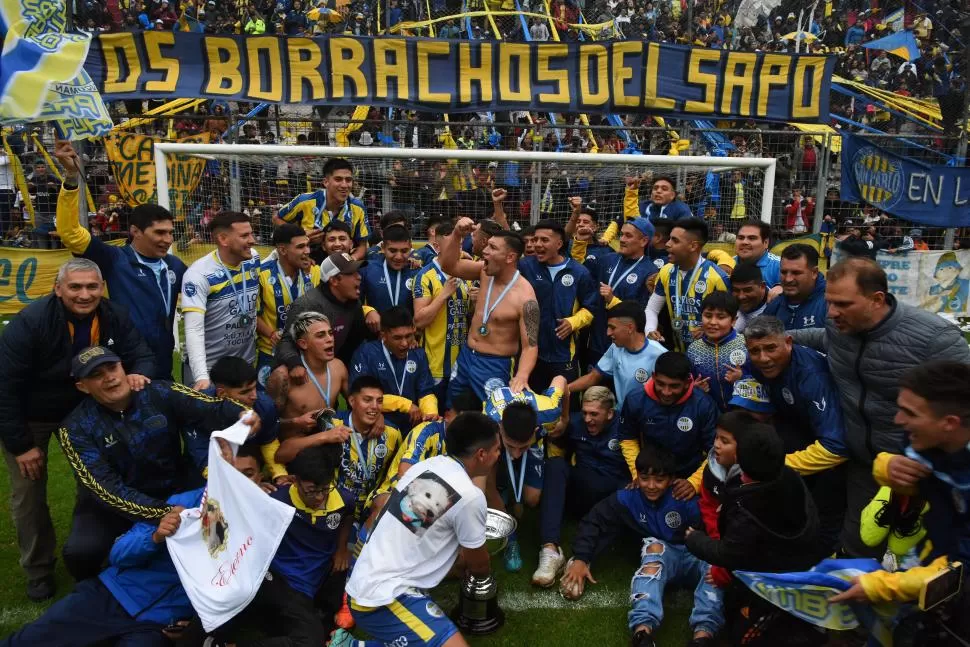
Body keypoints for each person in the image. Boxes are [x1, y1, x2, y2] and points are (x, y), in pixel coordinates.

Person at [789, 257, 970, 557]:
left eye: (843, 304)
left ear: (876, 300)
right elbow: (826, 340)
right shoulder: (838, 327)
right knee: (858, 549)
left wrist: (930, 463)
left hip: (927, 476)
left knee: (933, 562)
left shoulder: (936, 339)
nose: (832, 313)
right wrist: (782, 337)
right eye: (829, 302)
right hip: (865, 466)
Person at [0, 259, 154, 600]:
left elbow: (142, 354)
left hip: (86, 411)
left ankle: (98, 550)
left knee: (98, 479)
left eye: (92, 287)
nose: (84, 295)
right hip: (32, 414)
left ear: (102, 288)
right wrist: (21, 444)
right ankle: (38, 569)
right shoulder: (30, 323)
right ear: (58, 289)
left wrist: (137, 373)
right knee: (28, 492)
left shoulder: (115, 314)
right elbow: (5, 387)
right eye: (75, 287)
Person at [57, 346, 252, 582]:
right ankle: (100, 591)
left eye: (112, 367)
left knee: (219, 533)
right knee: (80, 552)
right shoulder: (74, 428)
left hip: (174, 489)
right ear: (82, 387)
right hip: (110, 507)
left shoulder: (158, 391)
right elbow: (105, 489)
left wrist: (242, 415)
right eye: (96, 375)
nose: (109, 378)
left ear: (122, 367)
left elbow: (210, 407)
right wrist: (161, 512)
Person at [331, 411, 500, 647]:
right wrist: (480, 568)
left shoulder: (428, 466)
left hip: (367, 581)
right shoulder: (470, 496)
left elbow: (412, 529)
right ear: (481, 455)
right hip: (383, 598)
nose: (498, 455)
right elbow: (479, 566)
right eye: (497, 450)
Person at [829, 361, 970, 643]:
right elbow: (903, 465)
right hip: (924, 562)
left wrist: (882, 587)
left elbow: (961, 572)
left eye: (909, 413)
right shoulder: (925, 435)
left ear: (949, 423)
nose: (898, 420)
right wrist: (886, 466)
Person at [561, 445, 722, 647]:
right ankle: (642, 634)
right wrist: (581, 558)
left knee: (715, 566)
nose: (651, 485)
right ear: (637, 476)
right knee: (653, 547)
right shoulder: (629, 498)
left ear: (672, 479)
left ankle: (703, 636)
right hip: (664, 555)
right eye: (645, 478)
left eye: (659, 480)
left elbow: (717, 535)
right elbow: (594, 520)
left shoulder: (686, 499)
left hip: (695, 554)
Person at [54, 140, 186, 379]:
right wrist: (72, 176)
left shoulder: (174, 265)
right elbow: (70, 232)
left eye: (170, 233)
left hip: (164, 360)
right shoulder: (114, 259)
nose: (168, 239)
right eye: (159, 233)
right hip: (125, 360)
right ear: (135, 231)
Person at [0, 494, 198, 647]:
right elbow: (118, 554)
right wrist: (154, 537)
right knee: (28, 641)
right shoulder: (186, 501)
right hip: (112, 594)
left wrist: (195, 628)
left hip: (158, 625)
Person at [210, 444, 354, 647]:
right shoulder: (276, 500)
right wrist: (254, 492)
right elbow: (231, 512)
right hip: (280, 579)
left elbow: (348, 515)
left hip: (312, 581)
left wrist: (341, 549)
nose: (320, 497)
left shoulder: (343, 500)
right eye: (311, 491)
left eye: (325, 489)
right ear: (294, 481)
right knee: (310, 642)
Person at [744, 315, 849, 557]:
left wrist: (778, 467)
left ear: (788, 342)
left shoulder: (811, 375)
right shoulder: (754, 366)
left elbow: (837, 447)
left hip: (834, 447)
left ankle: (825, 562)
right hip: (797, 429)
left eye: (771, 348)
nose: (764, 358)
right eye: (755, 351)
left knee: (827, 501)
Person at [684, 421, 821, 573]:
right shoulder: (791, 476)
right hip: (801, 560)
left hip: (768, 575)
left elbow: (728, 554)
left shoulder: (745, 512)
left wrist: (695, 540)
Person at [534, 387, 629, 587]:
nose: (587, 419)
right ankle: (550, 550)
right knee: (555, 465)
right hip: (580, 492)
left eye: (594, 414)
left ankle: (580, 559)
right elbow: (554, 439)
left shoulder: (626, 426)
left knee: (626, 497)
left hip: (609, 499)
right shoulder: (575, 422)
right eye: (585, 413)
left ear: (610, 413)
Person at [439, 218, 539, 402]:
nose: (484, 251)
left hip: (495, 365)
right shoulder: (485, 272)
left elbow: (530, 346)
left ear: (510, 257)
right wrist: (456, 234)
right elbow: (448, 265)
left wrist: (522, 376)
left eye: (492, 248)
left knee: (492, 419)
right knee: (454, 410)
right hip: (466, 357)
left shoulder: (525, 298)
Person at [277, 377, 402, 523]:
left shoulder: (393, 433)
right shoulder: (329, 422)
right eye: (367, 400)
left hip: (370, 512)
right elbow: (281, 454)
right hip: (332, 507)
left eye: (379, 401)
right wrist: (324, 436)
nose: (374, 406)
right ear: (352, 401)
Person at [181, 211, 260, 390]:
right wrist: (201, 376)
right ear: (223, 239)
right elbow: (193, 329)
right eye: (245, 235)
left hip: (243, 365)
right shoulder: (199, 275)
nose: (252, 240)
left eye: (251, 233)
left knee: (244, 418)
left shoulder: (253, 257)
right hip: (210, 371)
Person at [518, 219, 598, 388]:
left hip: (564, 355)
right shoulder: (525, 266)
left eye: (544, 240)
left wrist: (573, 322)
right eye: (535, 239)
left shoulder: (579, 272)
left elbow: (591, 308)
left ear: (559, 243)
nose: (537, 245)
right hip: (530, 353)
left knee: (563, 404)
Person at [274, 252, 379, 374]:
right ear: (334, 281)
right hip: (303, 373)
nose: (359, 277)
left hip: (330, 370)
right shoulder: (307, 304)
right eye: (351, 273)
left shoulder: (353, 303)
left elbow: (356, 340)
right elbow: (287, 342)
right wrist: (296, 365)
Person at [619, 352, 718, 481]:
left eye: (674, 386)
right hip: (649, 475)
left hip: (688, 475)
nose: (666, 392)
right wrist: (638, 475)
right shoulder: (636, 399)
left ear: (688, 382)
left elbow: (716, 449)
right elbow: (627, 438)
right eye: (660, 384)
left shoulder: (704, 404)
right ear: (653, 377)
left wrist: (694, 483)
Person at [646, 218, 731, 353]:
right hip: (677, 353)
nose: (667, 244)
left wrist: (711, 329)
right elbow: (652, 309)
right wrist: (650, 329)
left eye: (675, 240)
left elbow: (733, 317)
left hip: (711, 355)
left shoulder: (717, 277)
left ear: (693, 246)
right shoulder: (665, 271)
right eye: (669, 239)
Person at [349, 306, 438, 432]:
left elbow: (425, 391)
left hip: (413, 423)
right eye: (397, 338)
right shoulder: (366, 353)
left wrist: (430, 413)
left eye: (408, 336)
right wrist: (405, 405)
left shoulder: (418, 354)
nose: (404, 343)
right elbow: (361, 395)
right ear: (383, 335)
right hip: (379, 423)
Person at [412, 220, 471, 407]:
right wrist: (444, 294)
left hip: (463, 364)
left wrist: (476, 303)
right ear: (437, 246)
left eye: (459, 243)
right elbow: (419, 320)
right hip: (435, 366)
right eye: (451, 243)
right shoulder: (425, 276)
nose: (457, 248)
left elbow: (466, 314)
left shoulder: (467, 272)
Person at [586, 217, 658, 368]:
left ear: (644, 241)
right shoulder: (607, 260)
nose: (622, 239)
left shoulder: (650, 272)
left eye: (628, 236)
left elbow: (643, 313)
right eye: (622, 234)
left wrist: (612, 300)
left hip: (625, 346)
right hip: (597, 340)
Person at [568, 301, 666, 411]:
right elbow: (593, 377)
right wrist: (564, 390)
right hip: (622, 417)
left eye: (612, 328)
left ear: (630, 328)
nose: (608, 333)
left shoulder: (660, 355)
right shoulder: (616, 348)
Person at [268, 311, 348, 445]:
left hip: (331, 441)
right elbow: (267, 423)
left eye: (330, 333)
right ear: (303, 344)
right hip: (297, 450)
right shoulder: (282, 377)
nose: (330, 339)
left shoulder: (338, 367)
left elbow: (355, 403)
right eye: (320, 335)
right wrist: (295, 423)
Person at [255, 223, 321, 384]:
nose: (307, 251)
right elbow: (251, 314)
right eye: (300, 247)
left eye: (307, 245)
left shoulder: (314, 272)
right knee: (269, 405)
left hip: (306, 353)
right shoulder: (260, 274)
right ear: (283, 250)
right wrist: (271, 333)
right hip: (271, 352)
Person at [278, 158, 369, 260]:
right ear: (326, 182)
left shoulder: (358, 207)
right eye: (338, 179)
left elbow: (363, 246)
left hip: (343, 262)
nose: (344, 185)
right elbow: (277, 218)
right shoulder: (305, 201)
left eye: (348, 180)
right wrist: (299, 235)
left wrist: (350, 261)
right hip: (307, 262)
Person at [687, 292, 748, 412]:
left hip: (743, 413)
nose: (713, 322)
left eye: (721, 317)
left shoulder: (745, 345)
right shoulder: (693, 350)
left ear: (733, 320)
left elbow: (762, 379)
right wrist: (694, 388)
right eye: (708, 316)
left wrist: (742, 377)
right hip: (709, 413)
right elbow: (687, 382)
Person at [762, 244, 827, 330]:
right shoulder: (775, 304)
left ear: (814, 273)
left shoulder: (830, 304)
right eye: (784, 272)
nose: (788, 279)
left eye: (796, 273)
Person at [359, 224, 420, 313]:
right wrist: (367, 311)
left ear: (410, 248)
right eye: (392, 251)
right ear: (383, 248)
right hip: (376, 327)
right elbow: (353, 304)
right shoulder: (367, 269)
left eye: (404, 251)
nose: (398, 257)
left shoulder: (417, 272)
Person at [732, 219, 781, 289]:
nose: (744, 242)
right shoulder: (728, 264)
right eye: (740, 238)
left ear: (766, 243)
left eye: (752, 238)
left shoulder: (780, 266)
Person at [730, 262, 769, 333]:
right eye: (736, 290)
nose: (741, 296)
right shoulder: (727, 302)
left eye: (747, 290)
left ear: (762, 287)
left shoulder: (775, 305)